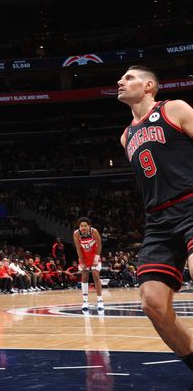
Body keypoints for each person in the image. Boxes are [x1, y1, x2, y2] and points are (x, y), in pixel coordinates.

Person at [117, 65, 193, 370]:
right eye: (121, 78)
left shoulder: (174, 109)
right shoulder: (126, 136)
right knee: (152, 302)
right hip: (158, 221)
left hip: (190, 204)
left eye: (129, 77)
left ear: (150, 85)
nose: (120, 81)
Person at [73, 217, 103, 310]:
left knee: (95, 274)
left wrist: (96, 258)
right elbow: (78, 248)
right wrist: (81, 261)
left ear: (89, 226)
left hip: (94, 255)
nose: (83, 227)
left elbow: (99, 244)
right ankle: (85, 302)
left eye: (85, 225)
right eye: (81, 226)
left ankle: (100, 301)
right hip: (84, 257)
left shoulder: (94, 232)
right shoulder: (76, 234)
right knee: (84, 277)